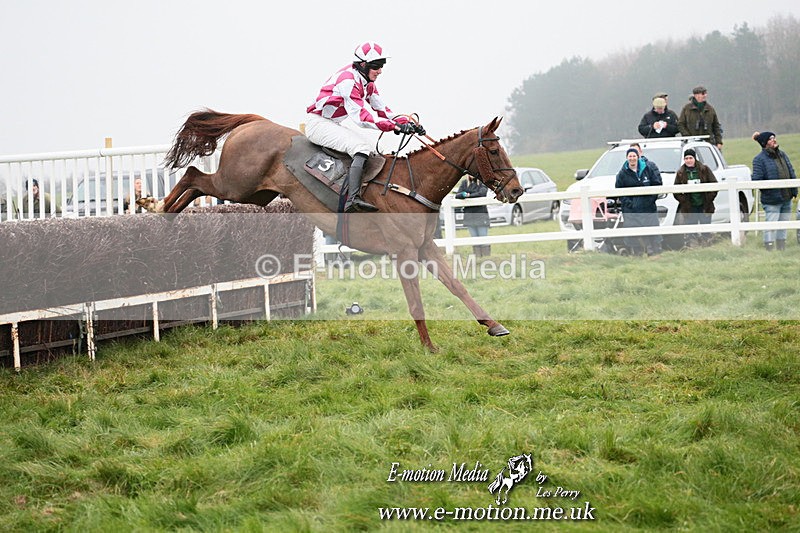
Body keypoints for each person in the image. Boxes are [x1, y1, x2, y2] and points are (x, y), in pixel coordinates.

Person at [305, 41, 424, 213]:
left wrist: (408, 124)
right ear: (362, 65)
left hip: (332, 123)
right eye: (376, 66)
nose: (380, 70)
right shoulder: (347, 81)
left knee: (374, 149)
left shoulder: (367, 82)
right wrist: (393, 127)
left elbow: (383, 111)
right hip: (318, 123)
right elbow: (361, 118)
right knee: (360, 148)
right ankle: (352, 200)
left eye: (382, 65)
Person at [751, 131, 797, 251]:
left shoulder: (782, 155)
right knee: (771, 225)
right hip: (772, 200)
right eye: (771, 139)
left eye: (774, 138)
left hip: (786, 197)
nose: (774, 140)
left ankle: (781, 248)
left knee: (783, 225)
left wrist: (794, 190)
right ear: (765, 143)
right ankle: (769, 248)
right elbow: (756, 179)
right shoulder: (759, 160)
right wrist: (770, 190)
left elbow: (790, 171)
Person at [615, 147, 663, 256]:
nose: (632, 158)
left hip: (648, 207)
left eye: (634, 156)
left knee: (652, 229)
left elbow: (656, 184)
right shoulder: (622, 174)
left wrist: (650, 199)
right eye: (630, 156)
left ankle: (655, 252)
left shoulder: (648, 169)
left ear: (638, 157)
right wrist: (629, 203)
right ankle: (637, 253)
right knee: (632, 231)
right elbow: (619, 191)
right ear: (627, 158)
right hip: (631, 209)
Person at [674, 148, 718, 247]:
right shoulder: (680, 173)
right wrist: (683, 201)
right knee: (691, 230)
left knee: (705, 229)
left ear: (695, 158)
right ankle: (693, 247)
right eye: (686, 158)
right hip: (690, 207)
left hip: (704, 205)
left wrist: (709, 198)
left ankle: (706, 247)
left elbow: (714, 185)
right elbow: (675, 190)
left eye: (690, 158)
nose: (688, 160)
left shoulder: (704, 169)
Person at [455, 176, 491, 257]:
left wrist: (467, 196)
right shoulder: (464, 183)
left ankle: (486, 258)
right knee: (474, 239)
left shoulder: (482, 182)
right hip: (469, 215)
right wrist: (464, 194)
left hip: (481, 215)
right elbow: (457, 195)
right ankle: (478, 258)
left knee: (483, 238)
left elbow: (482, 193)